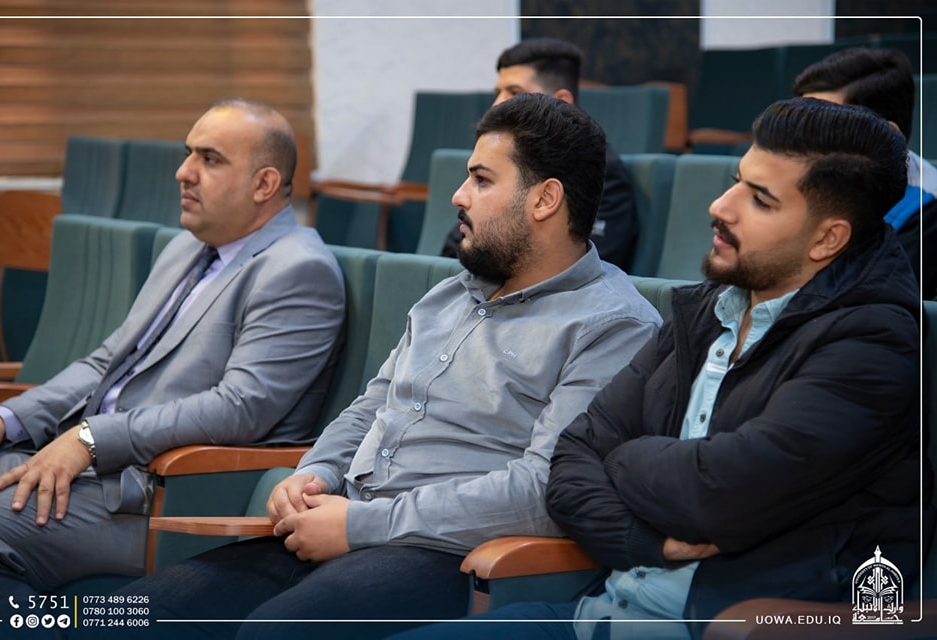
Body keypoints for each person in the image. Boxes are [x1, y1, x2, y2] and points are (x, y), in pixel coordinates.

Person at [109, 92, 662, 640]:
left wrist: (361, 525)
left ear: (544, 200)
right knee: (123, 616)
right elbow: (371, 407)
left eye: (481, 180)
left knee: (271, 634)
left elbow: (543, 491)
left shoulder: (613, 325)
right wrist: (313, 473)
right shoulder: (449, 295)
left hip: (446, 554)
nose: (458, 195)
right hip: (343, 521)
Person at [393, 97, 931, 640]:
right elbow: (571, 464)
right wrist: (645, 540)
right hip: (599, 614)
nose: (721, 206)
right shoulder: (706, 310)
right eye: (736, 182)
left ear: (827, 238)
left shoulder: (873, 344)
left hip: (726, 627)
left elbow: (716, 495)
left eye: (760, 200)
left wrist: (623, 456)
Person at [0, 99, 346, 626]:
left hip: (159, 495)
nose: (183, 172)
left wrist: (90, 439)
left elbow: (239, 408)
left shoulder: (298, 269)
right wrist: (3, 420)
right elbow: (106, 362)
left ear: (264, 184)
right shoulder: (186, 247)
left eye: (209, 159)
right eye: (188, 153)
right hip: (95, 468)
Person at [441, 37, 639, 271]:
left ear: (561, 102)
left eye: (515, 92)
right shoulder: (498, 161)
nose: (497, 104)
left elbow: (580, 267)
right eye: (498, 92)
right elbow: (453, 251)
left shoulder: (604, 173)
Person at [792, 46, 937, 297]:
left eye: (826, 126)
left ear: (885, 134)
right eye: (800, 120)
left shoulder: (926, 214)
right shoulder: (789, 177)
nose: (799, 139)